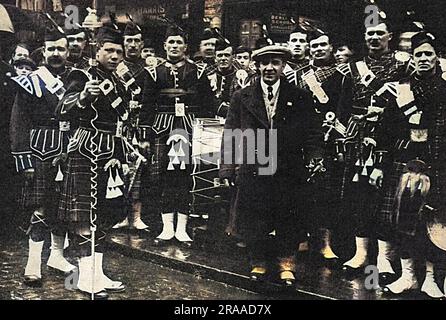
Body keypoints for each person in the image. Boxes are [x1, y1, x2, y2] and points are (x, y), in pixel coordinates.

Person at [219, 42, 324, 287]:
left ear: (283, 66)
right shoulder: (242, 96)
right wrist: (227, 167)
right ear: (257, 66)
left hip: (288, 165)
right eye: (264, 63)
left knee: (288, 215)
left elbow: (312, 132)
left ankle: (287, 263)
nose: (269, 68)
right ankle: (259, 262)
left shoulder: (299, 96)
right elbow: (231, 132)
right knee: (255, 216)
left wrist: (315, 157)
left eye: (275, 63)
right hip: (253, 164)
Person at [337, 14, 410, 284]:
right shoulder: (354, 68)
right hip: (359, 140)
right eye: (370, 34)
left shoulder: (403, 66)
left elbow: (407, 104)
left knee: (386, 200)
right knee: (360, 197)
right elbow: (343, 108)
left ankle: (384, 259)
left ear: (390, 36)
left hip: (390, 140)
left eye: (380, 33)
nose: (374, 38)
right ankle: (361, 254)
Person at [57, 23, 128, 299]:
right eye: (108, 50)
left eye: (118, 52)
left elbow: (122, 121)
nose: (114, 56)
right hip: (85, 149)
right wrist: (84, 97)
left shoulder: (120, 81)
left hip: (110, 151)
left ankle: (97, 273)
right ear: (97, 51)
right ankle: (84, 277)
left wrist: (120, 155)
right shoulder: (81, 75)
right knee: (84, 217)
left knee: (106, 215)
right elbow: (61, 108)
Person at [378, 32, 446, 298]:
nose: (424, 59)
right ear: (413, 58)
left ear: (437, 58)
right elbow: (387, 128)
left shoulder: (444, 88)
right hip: (405, 163)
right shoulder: (401, 87)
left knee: (435, 222)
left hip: (440, 161)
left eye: (429, 54)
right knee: (403, 221)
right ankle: (408, 277)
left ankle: (430, 278)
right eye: (419, 54)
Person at [9, 26, 76, 287]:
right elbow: (17, 124)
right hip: (40, 149)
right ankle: (33, 262)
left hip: (70, 149)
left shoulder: (76, 80)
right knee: (40, 206)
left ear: (68, 51)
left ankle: (57, 256)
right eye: (51, 49)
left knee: (64, 207)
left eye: (61, 49)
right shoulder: (30, 81)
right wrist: (23, 160)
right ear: (43, 52)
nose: (56, 53)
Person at [142, 25, 216, 247]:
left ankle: (182, 229)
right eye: (171, 43)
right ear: (164, 46)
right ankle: (166, 228)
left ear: (186, 47)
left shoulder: (199, 72)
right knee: (163, 177)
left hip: (188, 128)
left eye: (179, 43)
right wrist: (145, 135)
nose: (174, 46)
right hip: (162, 128)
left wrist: (207, 135)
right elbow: (147, 104)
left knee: (184, 177)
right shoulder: (153, 72)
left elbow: (207, 106)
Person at [294, 29, 346, 263]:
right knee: (300, 190)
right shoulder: (299, 75)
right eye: (313, 46)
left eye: (322, 45)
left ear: (331, 48)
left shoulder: (343, 75)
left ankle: (325, 244)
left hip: (330, 139)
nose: (318, 49)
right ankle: (301, 238)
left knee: (327, 193)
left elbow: (345, 108)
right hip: (303, 139)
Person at [112, 20, 150, 232]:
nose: (133, 45)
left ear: (142, 43)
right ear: (124, 43)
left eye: (136, 41)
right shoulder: (116, 66)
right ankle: (120, 215)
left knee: (139, 172)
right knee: (120, 169)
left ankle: (136, 215)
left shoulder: (150, 68)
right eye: (129, 41)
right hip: (119, 123)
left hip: (139, 124)